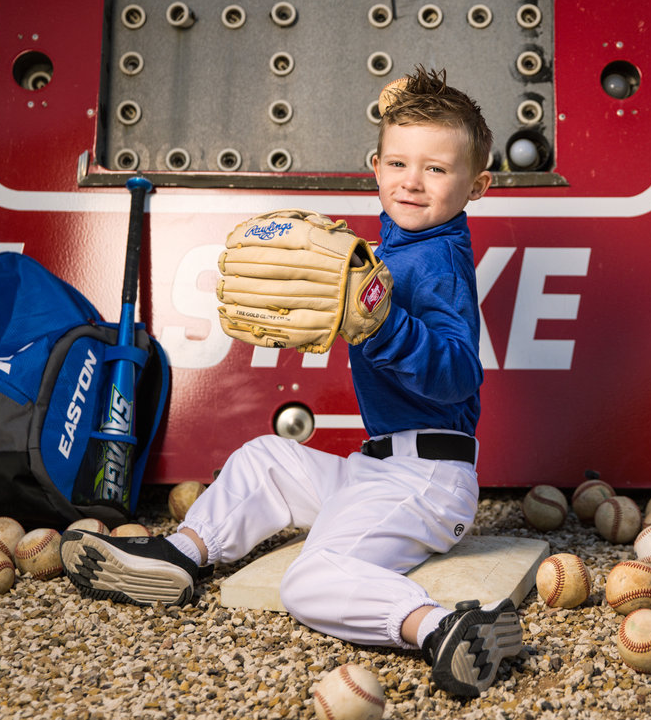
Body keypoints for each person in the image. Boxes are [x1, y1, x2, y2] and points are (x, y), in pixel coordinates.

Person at [60, 67, 522, 699]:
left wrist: (384, 326)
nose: (412, 181)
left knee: (309, 581)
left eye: (437, 169)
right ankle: (185, 553)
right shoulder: (396, 247)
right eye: (397, 163)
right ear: (376, 168)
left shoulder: (437, 261)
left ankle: (443, 627)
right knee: (266, 458)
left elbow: (457, 374)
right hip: (381, 470)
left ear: (478, 185)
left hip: (429, 482)